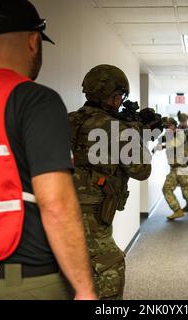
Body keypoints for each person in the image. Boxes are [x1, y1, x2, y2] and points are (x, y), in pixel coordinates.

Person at [0, 0, 96, 300]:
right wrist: (84, 288)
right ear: (34, 42)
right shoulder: (36, 101)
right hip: (23, 281)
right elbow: (55, 204)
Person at [69, 64, 152, 300]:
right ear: (115, 97)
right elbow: (142, 170)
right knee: (110, 269)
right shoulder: (117, 128)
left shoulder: (66, 120)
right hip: (92, 218)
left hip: (59, 212)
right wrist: (139, 136)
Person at [159, 117, 188, 220]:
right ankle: (177, 210)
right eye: (165, 127)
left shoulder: (181, 133)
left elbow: (175, 143)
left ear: (173, 125)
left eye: (168, 126)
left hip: (185, 169)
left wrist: (163, 146)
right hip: (174, 169)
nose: (166, 129)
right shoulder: (170, 135)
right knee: (166, 189)